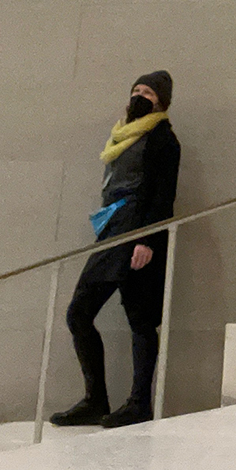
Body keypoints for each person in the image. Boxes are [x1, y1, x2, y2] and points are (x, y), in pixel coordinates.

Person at [51, 71, 181, 429]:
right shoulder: (121, 134)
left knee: (141, 318)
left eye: (148, 92)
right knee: (79, 313)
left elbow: (163, 195)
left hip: (138, 231)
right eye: (136, 90)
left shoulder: (163, 139)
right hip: (112, 229)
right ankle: (96, 400)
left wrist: (147, 239)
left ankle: (139, 403)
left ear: (162, 101)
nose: (140, 96)